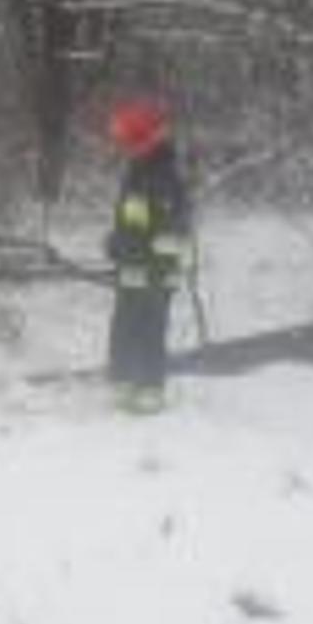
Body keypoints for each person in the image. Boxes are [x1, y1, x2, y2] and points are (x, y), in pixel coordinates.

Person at [103, 99, 191, 414]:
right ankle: (125, 383)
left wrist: (131, 249)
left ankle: (150, 389)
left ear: (146, 140)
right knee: (124, 325)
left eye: (128, 142)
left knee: (149, 329)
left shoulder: (163, 176)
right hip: (134, 268)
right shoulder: (137, 170)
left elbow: (169, 233)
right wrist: (117, 242)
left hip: (156, 272)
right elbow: (132, 221)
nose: (124, 149)